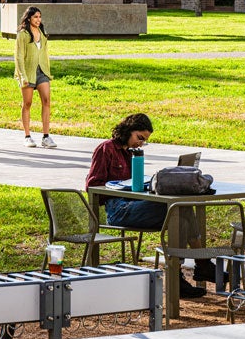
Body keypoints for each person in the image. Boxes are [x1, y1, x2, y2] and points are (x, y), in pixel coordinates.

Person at [85, 113, 211, 298]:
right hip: (118, 210)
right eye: (140, 138)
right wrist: (120, 188)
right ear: (128, 130)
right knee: (178, 209)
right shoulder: (106, 149)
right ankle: (200, 265)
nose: (141, 144)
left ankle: (182, 276)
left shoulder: (133, 153)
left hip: (136, 204)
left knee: (181, 210)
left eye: (144, 141)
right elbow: (91, 186)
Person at [14, 6, 56, 148]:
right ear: (29, 18)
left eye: (39, 17)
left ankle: (46, 136)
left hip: (42, 71)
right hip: (28, 73)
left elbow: (45, 53)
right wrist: (22, 76)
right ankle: (27, 136)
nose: (38, 20)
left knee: (46, 101)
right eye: (35, 17)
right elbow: (19, 57)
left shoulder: (42, 32)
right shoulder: (23, 34)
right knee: (27, 103)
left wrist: (47, 71)